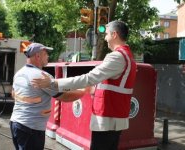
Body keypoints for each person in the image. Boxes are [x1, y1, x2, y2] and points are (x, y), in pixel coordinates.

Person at [32, 20, 137, 150]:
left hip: (107, 118)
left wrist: (54, 83)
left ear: (114, 35)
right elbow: (114, 84)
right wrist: (94, 89)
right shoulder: (128, 56)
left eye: (107, 34)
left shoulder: (116, 56)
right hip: (115, 118)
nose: (105, 38)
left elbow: (89, 78)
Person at [10, 43, 88, 150]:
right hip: (31, 128)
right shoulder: (42, 76)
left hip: (16, 123)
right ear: (38, 56)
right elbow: (65, 96)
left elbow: (14, 94)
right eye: (46, 53)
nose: (48, 56)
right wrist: (84, 91)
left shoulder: (19, 73)